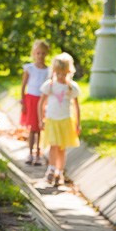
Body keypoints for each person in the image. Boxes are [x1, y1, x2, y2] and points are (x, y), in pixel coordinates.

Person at [37, 52, 81, 187]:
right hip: (52, 120)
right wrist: (41, 119)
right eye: (59, 74)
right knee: (53, 146)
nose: (61, 77)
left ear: (69, 72)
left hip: (65, 121)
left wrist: (78, 124)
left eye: (64, 74)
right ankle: (51, 169)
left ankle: (59, 172)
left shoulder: (71, 87)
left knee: (62, 148)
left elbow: (77, 107)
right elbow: (41, 103)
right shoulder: (50, 85)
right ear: (54, 72)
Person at [20, 40, 50, 165]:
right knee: (32, 128)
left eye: (43, 53)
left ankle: (38, 153)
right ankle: (30, 153)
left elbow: (49, 88)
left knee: (39, 128)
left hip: (41, 101)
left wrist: (47, 104)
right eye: (38, 53)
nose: (40, 56)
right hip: (31, 100)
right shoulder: (29, 68)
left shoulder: (48, 70)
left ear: (46, 54)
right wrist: (23, 102)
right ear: (34, 54)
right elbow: (23, 86)